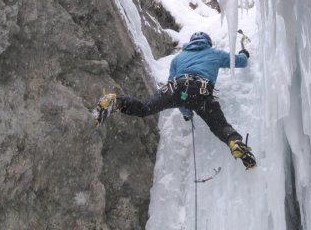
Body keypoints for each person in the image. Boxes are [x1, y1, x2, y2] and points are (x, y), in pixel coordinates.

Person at [96, 31, 256, 169]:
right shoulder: (214, 53)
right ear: (207, 43)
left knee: (145, 107)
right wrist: (245, 54)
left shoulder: (178, 59)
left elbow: (175, 88)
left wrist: (187, 113)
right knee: (220, 126)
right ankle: (235, 143)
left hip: (177, 87)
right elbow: (240, 61)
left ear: (191, 43)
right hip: (201, 89)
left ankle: (116, 102)